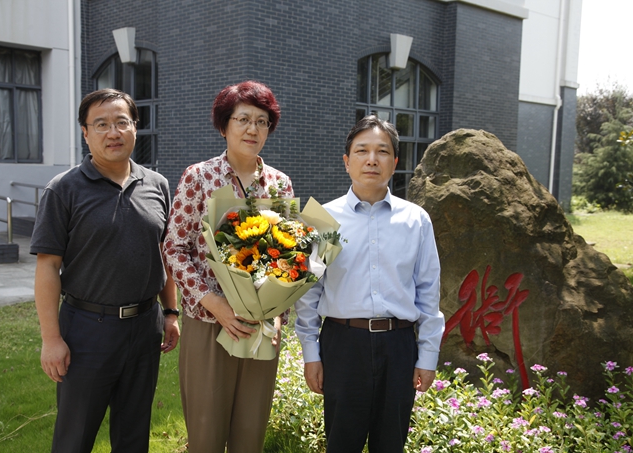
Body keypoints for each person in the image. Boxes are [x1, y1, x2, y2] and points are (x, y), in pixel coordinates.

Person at [31, 88, 180, 453]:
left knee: (133, 436)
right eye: (101, 124)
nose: (113, 132)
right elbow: (48, 266)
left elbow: (164, 253)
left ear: (135, 127)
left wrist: (171, 312)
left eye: (121, 122)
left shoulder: (157, 185)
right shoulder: (63, 190)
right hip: (86, 331)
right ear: (85, 133)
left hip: (145, 328)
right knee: (74, 438)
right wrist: (51, 339)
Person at [294, 115, 445, 453]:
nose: (372, 160)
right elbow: (309, 294)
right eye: (362, 151)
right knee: (341, 443)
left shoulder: (416, 220)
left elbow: (428, 291)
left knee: (391, 444)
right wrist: (311, 354)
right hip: (343, 345)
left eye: (382, 151)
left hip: (399, 346)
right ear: (347, 161)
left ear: (395, 162)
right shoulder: (323, 219)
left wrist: (428, 355)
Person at [163, 80, 293, 453]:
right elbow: (174, 247)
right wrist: (212, 302)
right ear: (224, 125)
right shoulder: (199, 177)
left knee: (250, 435)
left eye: (262, 122)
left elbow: (285, 257)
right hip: (208, 323)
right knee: (205, 436)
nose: (253, 129)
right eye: (243, 119)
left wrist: (277, 312)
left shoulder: (279, 184)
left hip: (260, 327)